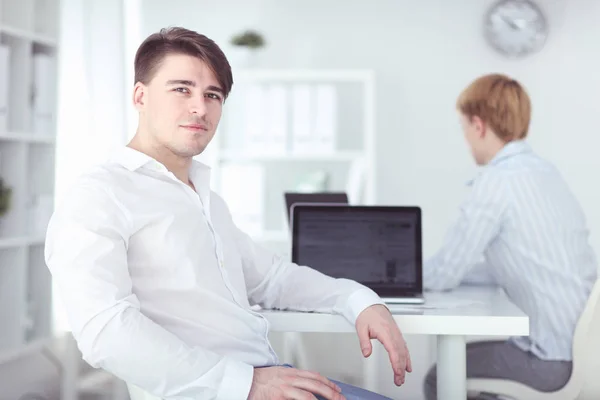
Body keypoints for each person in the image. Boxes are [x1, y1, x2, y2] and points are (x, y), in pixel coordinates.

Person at [44, 27, 411, 400]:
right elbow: (104, 332)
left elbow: (273, 278)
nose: (200, 107)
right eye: (181, 89)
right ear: (140, 95)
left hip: (265, 377)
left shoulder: (204, 198)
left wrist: (358, 300)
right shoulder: (100, 195)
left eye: (212, 95)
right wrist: (246, 384)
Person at [422, 73, 598, 400]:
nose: (466, 139)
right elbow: (512, 265)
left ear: (479, 125)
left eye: (463, 128)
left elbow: (445, 272)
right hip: (583, 350)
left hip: (550, 359)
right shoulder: (545, 173)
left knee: (442, 375)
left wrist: (399, 276)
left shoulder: (496, 182)